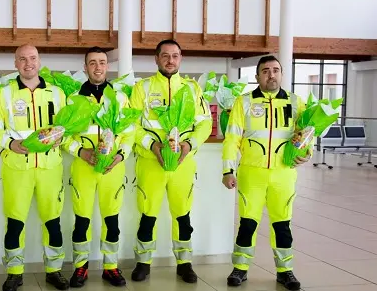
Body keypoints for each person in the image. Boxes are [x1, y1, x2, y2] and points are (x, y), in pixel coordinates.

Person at [222, 55, 309, 291]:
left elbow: (306, 135)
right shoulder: (245, 102)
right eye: (266, 71)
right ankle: (240, 268)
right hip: (252, 174)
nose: (271, 75)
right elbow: (232, 139)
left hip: (284, 174)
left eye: (276, 70)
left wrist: (306, 153)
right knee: (247, 224)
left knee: (282, 224)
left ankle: (285, 270)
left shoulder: (295, 102)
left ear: (281, 73)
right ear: (257, 75)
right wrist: (228, 170)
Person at [0, 44, 69, 291]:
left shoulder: (57, 93)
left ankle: (54, 271)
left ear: (39, 61)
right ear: (15, 64)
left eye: (32, 58)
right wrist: (10, 143)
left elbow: (67, 128)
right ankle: (14, 273)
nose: (28, 63)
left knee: (53, 222)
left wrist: (60, 137)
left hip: (50, 168)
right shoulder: (3, 95)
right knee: (15, 223)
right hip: (17, 168)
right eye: (22, 59)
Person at [128, 39, 212, 283]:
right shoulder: (141, 88)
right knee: (147, 214)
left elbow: (205, 123)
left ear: (181, 58)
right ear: (156, 59)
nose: (170, 60)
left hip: (183, 164)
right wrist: (152, 145)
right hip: (150, 162)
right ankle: (143, 263)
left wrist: (188, 145)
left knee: (182, 214)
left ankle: (184, 263)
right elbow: (131, 125)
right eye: (165, 55)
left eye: (175, 55)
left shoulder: (192, 88)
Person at [62, 47, 134, 288]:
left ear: (107, 66)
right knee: (81, 220)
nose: (98, 67)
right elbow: (63, 135)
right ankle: (80, 268)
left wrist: (120, 156)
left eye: (102, 62)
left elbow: (129, 134)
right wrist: (81, 152)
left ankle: (110, 267)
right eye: (92, 63)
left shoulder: (120, 98)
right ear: (85, 68)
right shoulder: (73, 99)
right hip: (84, 167)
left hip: (112, 169)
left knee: (111, 219)